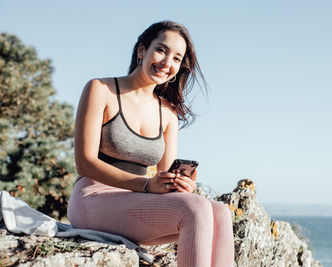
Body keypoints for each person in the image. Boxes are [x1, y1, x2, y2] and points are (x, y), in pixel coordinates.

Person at [67, 21, 235, 267]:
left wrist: (178, 184)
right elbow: (85, 163)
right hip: (92, 198)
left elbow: (164, 179)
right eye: (162, 50)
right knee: (196, 210)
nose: (168, 62)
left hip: (136, 202)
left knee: (220, 212)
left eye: (177, 58)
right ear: (141, 50)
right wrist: (146, 184)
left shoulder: (168, 113)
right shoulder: (101, 89)